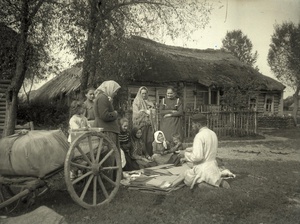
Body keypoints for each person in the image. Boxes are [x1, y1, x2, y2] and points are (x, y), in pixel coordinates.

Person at [181, 113, 230, 189]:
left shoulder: (199, 136)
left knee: (186, 178)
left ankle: (205, 184)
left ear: (198, 124)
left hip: (202, 168)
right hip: (213, 166)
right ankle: (218, 181)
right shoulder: (212, 133)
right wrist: (190, 149)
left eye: (193, 124)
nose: (192, 126)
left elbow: (197, 157)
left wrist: (185, 154)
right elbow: (206, 148)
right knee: (210, 176)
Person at [94, 80, 121, 180]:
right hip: (107, 130)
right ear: (110, 88)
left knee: (111, 155)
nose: (116, 93)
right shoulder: (102, 98)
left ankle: (113, 178)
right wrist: (115, 113)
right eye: (115, 91)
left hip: (108, 129)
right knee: (109, 155)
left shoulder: (103, 97)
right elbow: (104, 115)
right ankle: (108, 178)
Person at [132, 86, 156, 156]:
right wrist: (145, 111)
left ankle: (149, 155)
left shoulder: (149, 102)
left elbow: (154, 112)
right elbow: (136, 114)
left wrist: (148, 111)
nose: (144, 95)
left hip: (149, 124)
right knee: (142, 141)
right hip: (141, 124)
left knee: (149, 141)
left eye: (145, 93)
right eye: (142, 93)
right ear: (140, 93)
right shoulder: (136, 102)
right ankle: (142, 155)